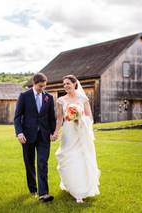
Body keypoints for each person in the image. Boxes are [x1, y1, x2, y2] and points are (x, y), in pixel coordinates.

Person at [51, 75, 100, 203]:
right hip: (68, 133)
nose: (66, 86)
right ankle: (71, 185)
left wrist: (80, 118)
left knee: (80, 158)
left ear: (74, 84)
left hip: (81, 132)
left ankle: (80, 191)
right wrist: (56, 132)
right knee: (68, 157)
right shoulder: (61, 100)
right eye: (64, 84)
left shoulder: (83, 99)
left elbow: (90, 117)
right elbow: (60, 118)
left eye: (68, 83)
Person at [14, 73, 56, 202]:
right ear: (34, 83)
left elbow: (51, 117)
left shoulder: (48, 97)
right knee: (29, 163)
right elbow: (17, 117)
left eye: (44, 86)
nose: (42, 89)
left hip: (44, 135)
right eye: (40, 86)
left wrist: (53, 132)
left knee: (42, 162)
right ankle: (33, 189)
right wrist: (19, 133)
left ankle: (43, 193)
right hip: (27, 136)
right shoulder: (24, 96)